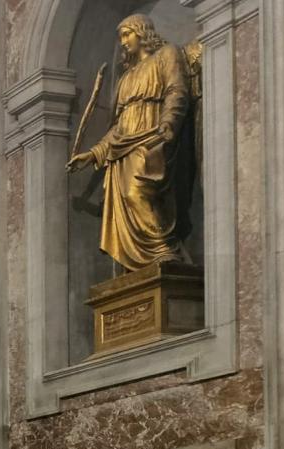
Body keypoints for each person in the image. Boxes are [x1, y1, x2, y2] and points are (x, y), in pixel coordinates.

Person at [66, 13, 197, 271]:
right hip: (123, 147)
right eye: (121, 37)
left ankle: (163, 248)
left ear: (142, 32)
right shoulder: (126, 78)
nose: (123, 41)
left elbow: (177, 91)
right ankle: (141, 264)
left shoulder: (166, 55)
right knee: (125, 199)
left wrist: (168, 124)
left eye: (127, 34)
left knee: (137, 192)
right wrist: (92, 154)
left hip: (153, 137)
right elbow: (118, 127)